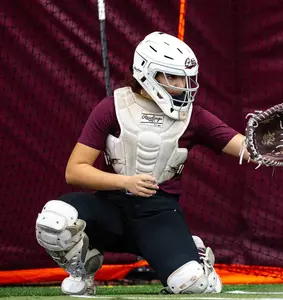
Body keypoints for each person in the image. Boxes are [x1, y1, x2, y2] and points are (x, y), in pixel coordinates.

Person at [34, 31, 253, 295]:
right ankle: (83, 268)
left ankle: (193, 255)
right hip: (110, 210)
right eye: (172, 77)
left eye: (184, 78)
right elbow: (75, 171)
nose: (182, 85)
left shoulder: (193, 116)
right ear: (147, 73)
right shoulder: (111, 107)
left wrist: (266, 144)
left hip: (157, 215)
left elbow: (244, 147)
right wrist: (126, 182)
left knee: (193, 284)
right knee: (54, 219)